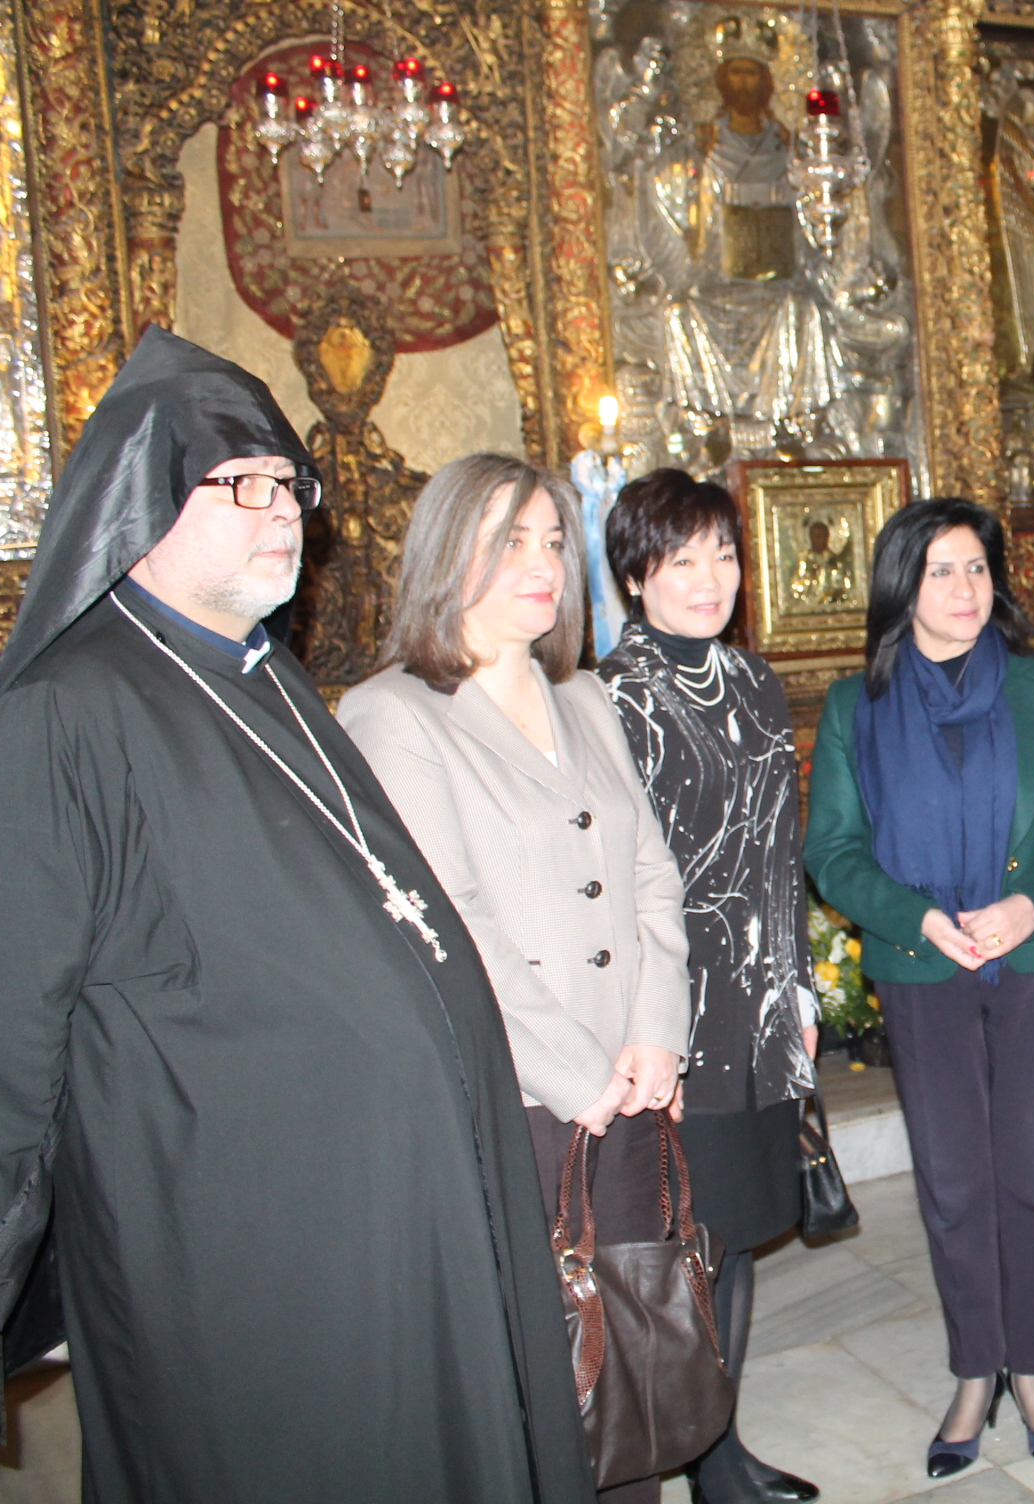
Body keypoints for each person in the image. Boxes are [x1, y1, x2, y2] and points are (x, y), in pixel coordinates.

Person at [0, 330, 593, 1501]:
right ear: (145, 501)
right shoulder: (66, 713)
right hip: (242, 1252)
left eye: (290, 484)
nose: (284, 511)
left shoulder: (268, 676)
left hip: (399, 1221)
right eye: (241, 484)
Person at [337, 452, 691, 1504]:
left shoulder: (584, 696)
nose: (542, 565)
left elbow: (649, 872)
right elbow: (451, 925)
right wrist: (579, 1074)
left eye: (551, 540)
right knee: (539, 1370)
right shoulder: (394, 713)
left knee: (628, 1361)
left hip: (630, 1080)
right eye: (509, 542)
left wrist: (657, 1030)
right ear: (447, 553)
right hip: (517, 1098)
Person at [802, 498, 1034, 1480]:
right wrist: (917, 918)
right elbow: (833, 850)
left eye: (977, 567)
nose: (965, 589)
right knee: (953, 1181)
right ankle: (976, 1369)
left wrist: (1029, 907)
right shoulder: (856, 706)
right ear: (903, 585)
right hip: (923, 966)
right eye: (941, 570)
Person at [595, 469, 821, 1504]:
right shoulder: (611, 698)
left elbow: (780, 855)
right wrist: (646, 1032)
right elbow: (613, 884)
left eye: (723, 554)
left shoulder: (757, 682)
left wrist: (799, 995)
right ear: (635, 576)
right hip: (675, 1020)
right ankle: (702, 1458)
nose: (709, 578)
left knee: (731, 1240)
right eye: (681, 559)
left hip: (757, 1008)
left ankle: (718, 1447)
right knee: (687, 1246)